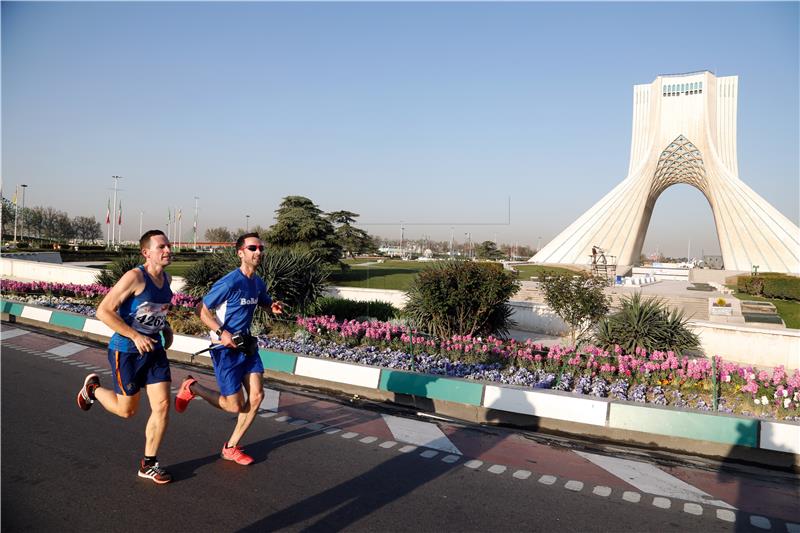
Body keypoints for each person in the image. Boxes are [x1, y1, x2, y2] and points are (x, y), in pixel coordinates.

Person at [76, 230, 175, 484]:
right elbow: (104, 311)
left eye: (168, 246)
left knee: (162, 405)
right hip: (127, 351)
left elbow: (155, 310)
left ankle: (149, 464)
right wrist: (134, 336)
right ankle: (93, 389)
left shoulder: (167, 278)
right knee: (127, 410)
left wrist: (165, 327)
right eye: (161, 247)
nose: (168, 250)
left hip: (154, 351)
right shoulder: (134, 277)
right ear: (146, 252)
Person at [175, 232, 283, 466]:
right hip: (224, 349)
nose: (258, 252)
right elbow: (201, 310)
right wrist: (220, 332)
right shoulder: (229, 282)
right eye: (253, 248)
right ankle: (192, 387)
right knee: (234, 405)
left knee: (256, 397)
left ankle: (231, 447)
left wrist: (270, 306)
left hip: (246, 345)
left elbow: (262, 299)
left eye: (260, 248)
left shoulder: (257, 282)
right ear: (240, 253)